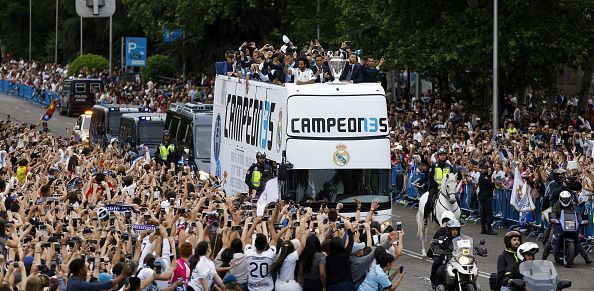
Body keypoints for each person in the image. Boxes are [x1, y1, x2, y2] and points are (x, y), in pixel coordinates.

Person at [541, 191, 592, 264]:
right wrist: (554, 219)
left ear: (569, 199)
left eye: (567, 199)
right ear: (561, 198)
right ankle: (543, 258)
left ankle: (586, 258)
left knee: (577, 240)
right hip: (558, 224)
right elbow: (553, 213)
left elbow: (577, 214)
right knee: (551, 240)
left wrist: (580, 221)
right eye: (564, 199)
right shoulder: (557, 204)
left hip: (570, 224)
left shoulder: (572, 205)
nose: (565, 200)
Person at [242, 217, 278, 291]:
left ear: (254, 245)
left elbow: (248, 237)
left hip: (252, 288)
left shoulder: (248, 254)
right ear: (266, 246)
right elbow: (274, 239)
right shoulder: (269, 255)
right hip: (267, 288)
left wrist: (255, 222)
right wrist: (271, 224)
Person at [423, 148, 455, 224]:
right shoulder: (434, 166)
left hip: (446, 188)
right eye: (441, 155)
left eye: (444, 155)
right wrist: (436, 185)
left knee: (455, 199)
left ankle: (458, 216)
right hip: (435, 187)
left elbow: (453, 176)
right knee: (429, 200)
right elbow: (430, 177)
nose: (442, 156)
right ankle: (425, 218)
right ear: (438, 156)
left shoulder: (449, 166)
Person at [430, 219, 461, 290]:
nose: (455, 232)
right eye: (453, 230)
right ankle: (435, 285)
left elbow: (468, 246)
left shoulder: (461, 239)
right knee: (439, 272)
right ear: (449, 230)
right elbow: (436, 243)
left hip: (460, 262)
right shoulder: (444, 239)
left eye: (456, 230)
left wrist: (474, 249)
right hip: (448, 262)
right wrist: (438, 248)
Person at [66, 258, 132, 291]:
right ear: (81, 271)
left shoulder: (71, 278)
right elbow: (103, 286)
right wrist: (122, 275)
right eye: (85, 267)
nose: (87, 269)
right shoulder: (79, 284)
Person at [477, 165, 497, 235]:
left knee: (484, 213)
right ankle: (488, 229)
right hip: (485, 197)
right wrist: (493, 183)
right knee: (488, 213)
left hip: (486, 196)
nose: (488, 171)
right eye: (487, 170)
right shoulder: (483, 177)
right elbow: (490, 184)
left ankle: (484, 229)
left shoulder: (485, 177)